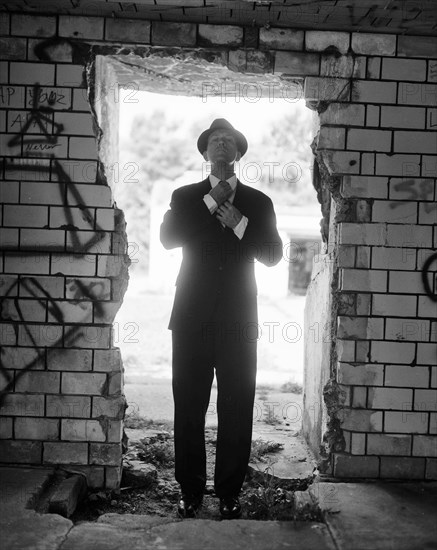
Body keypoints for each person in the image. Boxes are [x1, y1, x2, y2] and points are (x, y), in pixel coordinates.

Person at [160, 118, 283, 519]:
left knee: (236, 405)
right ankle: (190, 491)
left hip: (238, 321)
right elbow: (168, 238)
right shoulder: (185, 197)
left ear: (238, 153)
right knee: (189, 406)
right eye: (215, 140)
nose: (221, 145)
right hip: (191, 319)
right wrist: (212, 204)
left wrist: (240, 224)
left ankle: (229, 492)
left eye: (229, 141)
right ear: (205, 152)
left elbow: (272, 254)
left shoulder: (259, 203)